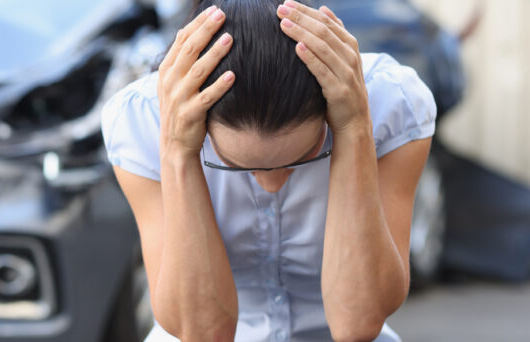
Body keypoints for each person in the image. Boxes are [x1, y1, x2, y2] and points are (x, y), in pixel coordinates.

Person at [101, 0, 435, 340]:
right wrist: (177, 152)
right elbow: (202, 333)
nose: (271, 183)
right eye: (233, 165)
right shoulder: (143, 121)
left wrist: (353, 130)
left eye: (304, 156)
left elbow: (358, 324)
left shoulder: (391, 104)